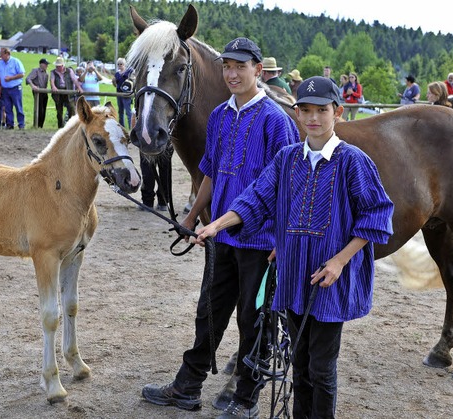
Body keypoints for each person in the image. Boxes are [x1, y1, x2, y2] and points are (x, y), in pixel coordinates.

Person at [193, 76, 394, 419]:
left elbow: (376, 217)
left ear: (338, 112)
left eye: (322, 110)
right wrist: (215, 224)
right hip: (294, 275)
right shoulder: (287, 159)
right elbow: (256, 198)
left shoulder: (353, 161)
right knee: (297, 364)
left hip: (329, 281)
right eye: (306, 111)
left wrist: (340, 261)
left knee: (321, 368)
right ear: (297, 114)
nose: (313, 118)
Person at [141, 37, 300, 418]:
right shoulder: (220, 116)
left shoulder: (277, 122)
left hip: (260, 241)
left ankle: (247, 397)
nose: (232, 73)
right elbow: (208, 171)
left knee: (254, 318)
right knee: (208, 311)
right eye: (227, 66)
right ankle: (188, 385)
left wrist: (283, 239)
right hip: (222, 235)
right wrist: (192, 217)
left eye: (240, 67)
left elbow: (289, 188)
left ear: (258, 71)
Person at [0, 47, 25, 129]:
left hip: (15, 88)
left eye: (2, 54)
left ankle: (21, 124)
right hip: (5, 89)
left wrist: (11, 78)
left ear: (7, 54)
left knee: (18, 107)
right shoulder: (0, 63)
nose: (0, 56)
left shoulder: (16, 61)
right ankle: (10, 124)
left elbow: (22, 74)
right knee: (7, 108)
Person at [50, 56, 81, 128]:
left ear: (63, 65)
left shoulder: (69, 71)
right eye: (57, 66)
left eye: (59, 66)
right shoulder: (53, 72)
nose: (57, 67)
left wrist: (79, 87)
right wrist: (53, 86)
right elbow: (52, 80)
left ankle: (70, 126)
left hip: (68, 92)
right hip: (58, 93)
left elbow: (74, 80)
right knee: (59, 111)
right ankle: (60, 127)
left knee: (71, 108)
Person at [26, 58, 50, 128]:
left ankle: (41, 125)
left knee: (44, 109)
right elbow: (28, 78)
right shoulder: (35, 71)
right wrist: (33, 86)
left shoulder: (46, 73)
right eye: (45, 64)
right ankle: (37, 125)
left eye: (47, 64)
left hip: (44, 92)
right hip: (38, 92)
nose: (46, 65)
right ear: (41, 64)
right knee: (39, 109)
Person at [113, 57, 135, 129]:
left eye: (121, 64)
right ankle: (122, 127)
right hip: (119, 93)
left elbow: (133, 79)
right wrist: (114, 81)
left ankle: (130, 128)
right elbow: (114, 83)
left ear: (124, 64)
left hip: (126, 94)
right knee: (120, 111)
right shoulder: (116, 74)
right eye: (118, 64)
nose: (120, 65)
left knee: (128, 112)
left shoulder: (129, 72)